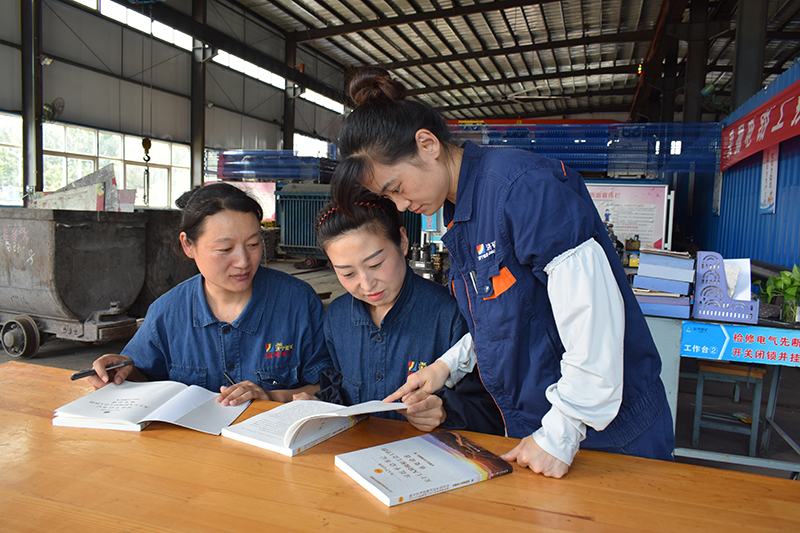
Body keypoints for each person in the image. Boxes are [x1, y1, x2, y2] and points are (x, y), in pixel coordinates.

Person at [330, 66, 675, 478]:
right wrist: (447, 366)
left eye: (397, 187)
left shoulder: (523, 188)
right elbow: (507, 313)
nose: (401, 205)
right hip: (539, 430)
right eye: (388, 197)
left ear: (427, 144)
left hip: (606, 435)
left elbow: (594, 321)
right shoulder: (462, 213)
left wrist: (562, 430)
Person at [88, 183, 332, 406]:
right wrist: (122, 373)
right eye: (225, 249)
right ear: (188, 245)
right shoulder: (167, 313)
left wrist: (271, 397)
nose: (243, 262)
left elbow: (329, 387)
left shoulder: (298, 303)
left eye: (253, 245)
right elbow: (144, 378)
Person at [309, 190, 503, 435]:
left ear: (402, 241)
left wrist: (445, 413)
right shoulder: (337, 316)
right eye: (348, 273)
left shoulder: (450, 314)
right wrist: (319, 406)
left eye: (375, 264)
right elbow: (337, 386)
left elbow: (491, 410)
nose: (367, 285)